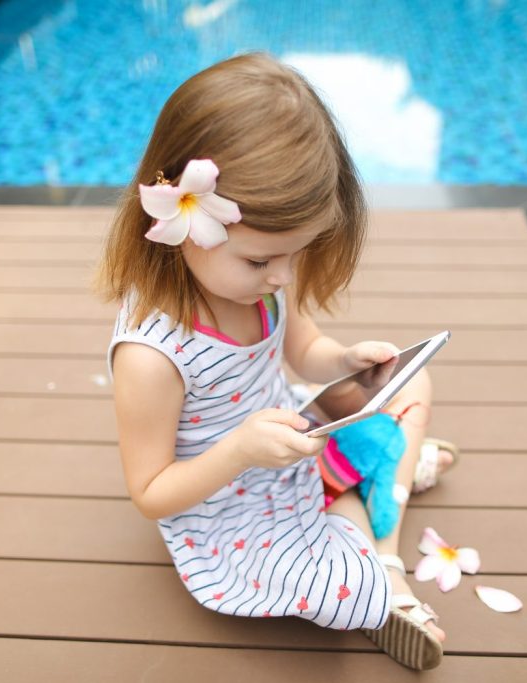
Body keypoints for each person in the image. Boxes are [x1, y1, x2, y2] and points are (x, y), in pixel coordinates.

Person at [94, 52, 457, 671]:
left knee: (410, 380)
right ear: (181, 222)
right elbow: (153, 494)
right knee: (343, 590)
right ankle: (381, 550)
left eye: (298, 253)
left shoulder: (261, 285)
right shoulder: (153, 357)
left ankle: (373, 525)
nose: (284, 277)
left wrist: (346, 359)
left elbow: (305, 352)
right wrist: (240, 450)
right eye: (262, 261)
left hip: (288, 436)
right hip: (227, 505)